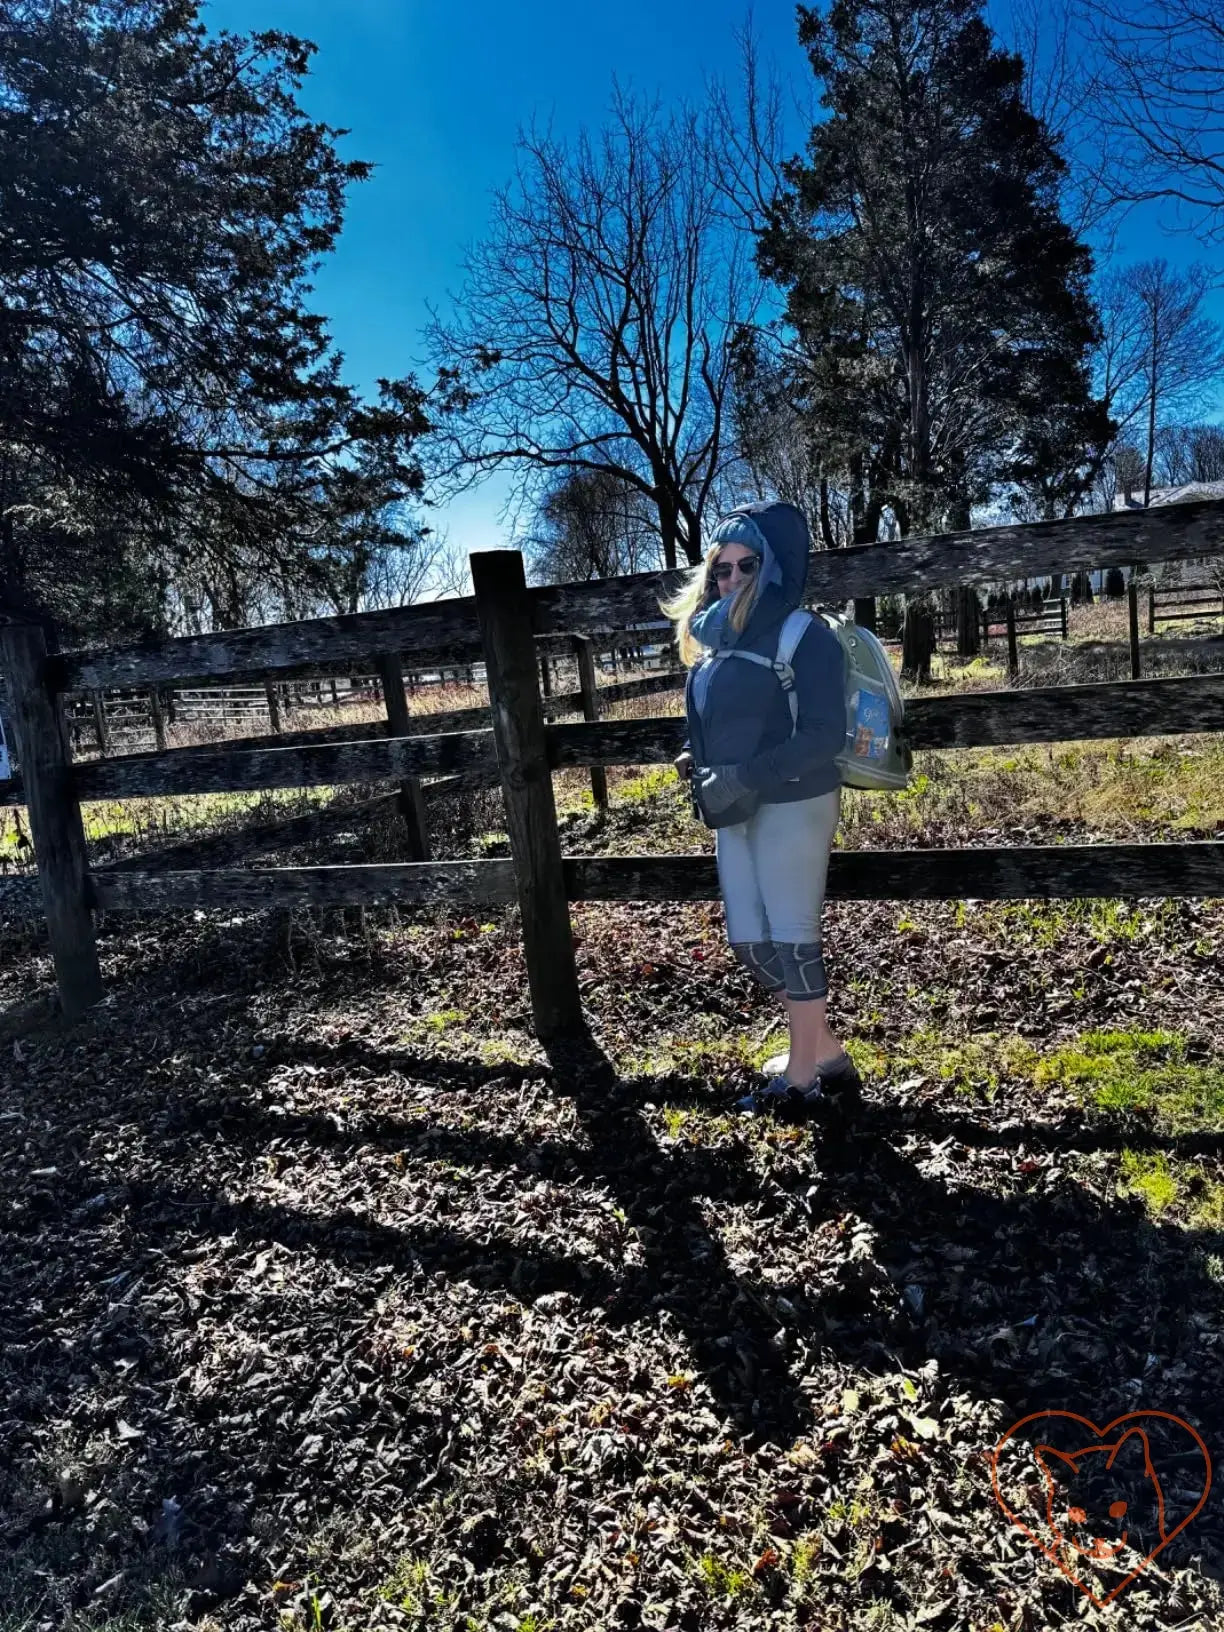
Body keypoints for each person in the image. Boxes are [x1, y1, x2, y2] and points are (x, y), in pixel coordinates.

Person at [659, 500, 859, 1118]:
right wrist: (697, 760)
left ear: (772, 567)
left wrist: (745, 774)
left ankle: (800, 1082)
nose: (733, 579)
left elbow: (826, 734)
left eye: (747, 566)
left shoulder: (805, 635)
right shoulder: (713, 640)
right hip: (734, 805)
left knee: (794, 939)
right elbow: (715, 722)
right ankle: (825, 1052)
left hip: (796, 800)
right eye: (722, 569)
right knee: (750, 942)